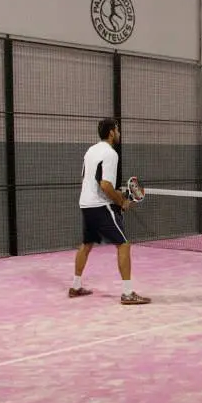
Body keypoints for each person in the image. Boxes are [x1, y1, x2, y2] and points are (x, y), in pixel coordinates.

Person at [69, 118, 151, 305]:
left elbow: (89, 179)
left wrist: (118, 197)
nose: (119, 133)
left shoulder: (91, 150)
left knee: (87, 244)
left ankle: (75, 286)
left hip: (86, 203)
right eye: (117, 130)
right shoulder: (111, 153)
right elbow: (105, 185)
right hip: (100, 205)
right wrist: (121, 201)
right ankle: (128, 293)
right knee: (123, 245)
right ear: (112, 132)